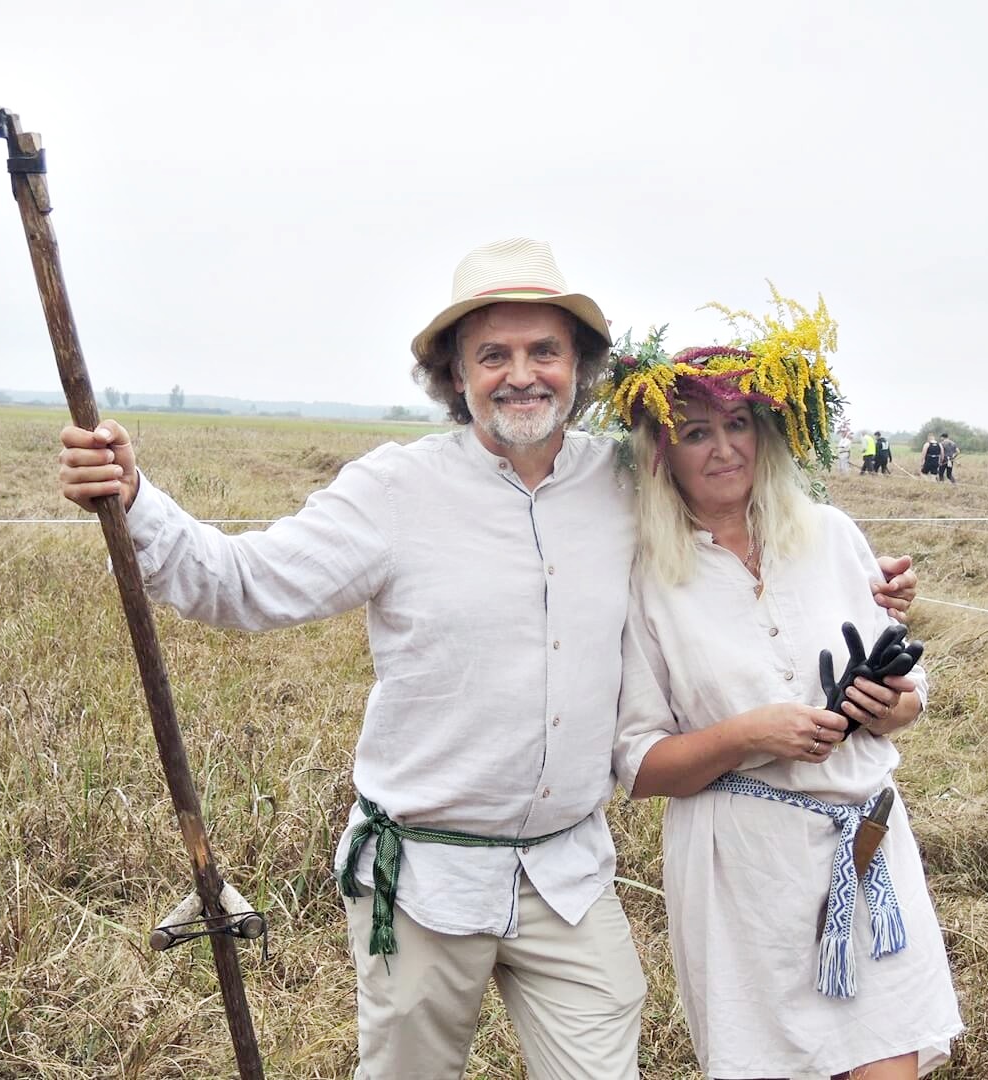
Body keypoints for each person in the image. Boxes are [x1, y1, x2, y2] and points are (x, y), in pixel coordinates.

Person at [56, 238, 920, 1079]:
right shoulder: (394, 492)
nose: (521, 373)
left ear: (578, 365)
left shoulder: (624, 480)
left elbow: (737, 515)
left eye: (545, 349)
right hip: (427, 879)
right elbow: (241, 585)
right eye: (491, 353)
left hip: (566, 875)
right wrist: (137, 504)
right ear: (456, 375)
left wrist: (859, 585)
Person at [603, 337, 962, 1079]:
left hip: (865, 845)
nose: (724, 448)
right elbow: (639, 766)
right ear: (662, 453)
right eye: (696, 432)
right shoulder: (645, 576)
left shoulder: (829, 536)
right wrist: (746, 735)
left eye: (739, 425)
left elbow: (907, 681)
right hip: (743, 869)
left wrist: (895, 707)